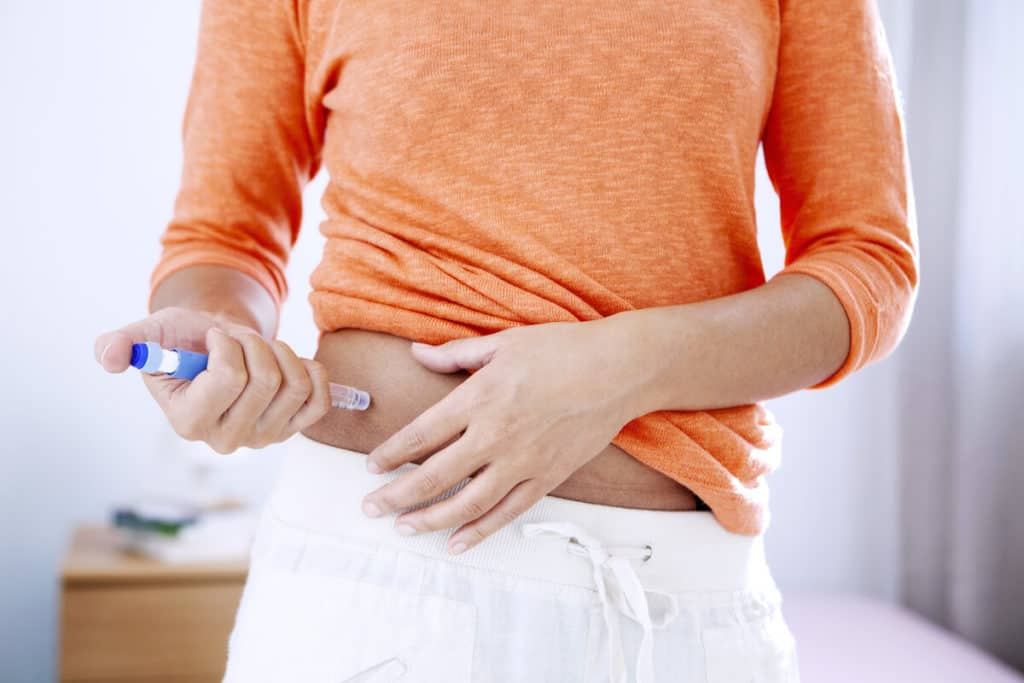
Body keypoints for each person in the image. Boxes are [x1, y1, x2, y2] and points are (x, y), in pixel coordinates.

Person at [94, 0, 918, 680]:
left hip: (676, 608)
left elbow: (869, 265)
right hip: (374, 594)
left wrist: (622, 368)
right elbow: (223, 239)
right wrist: (224, 342)